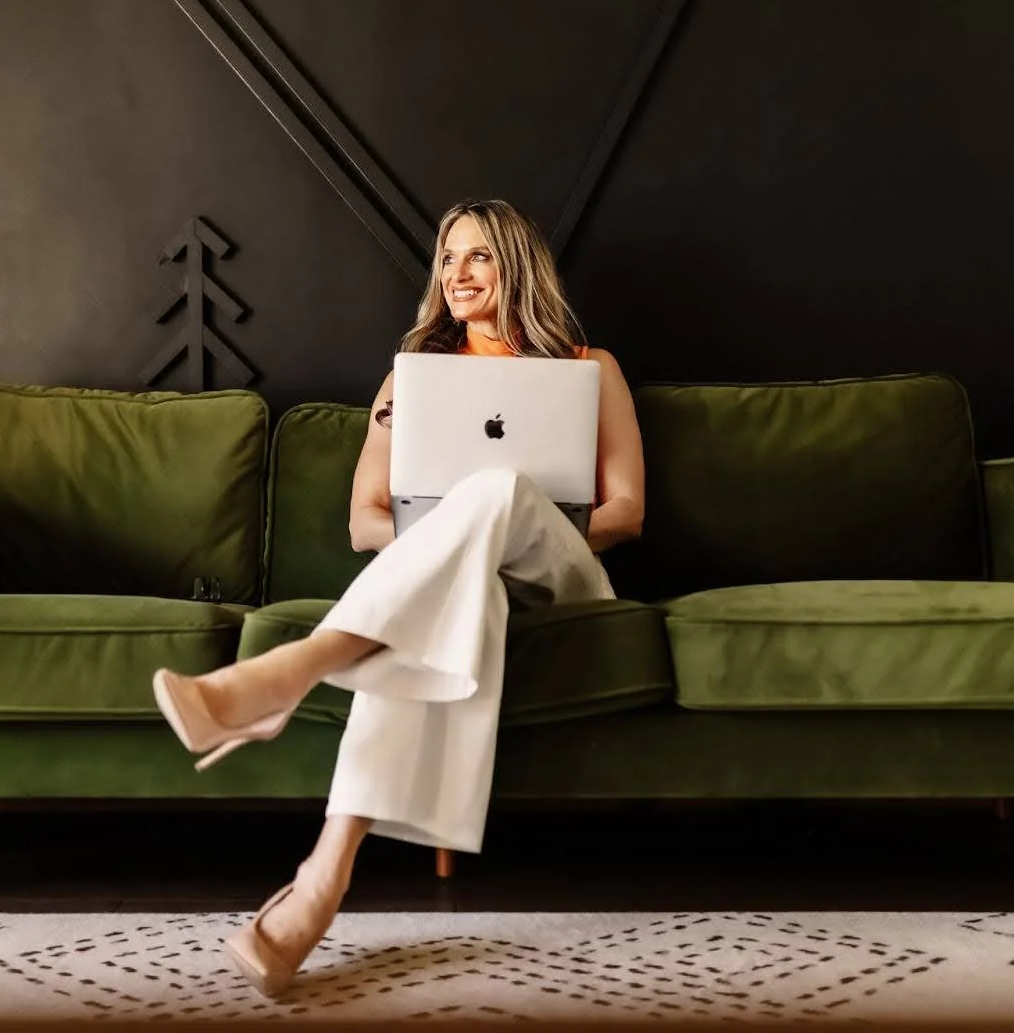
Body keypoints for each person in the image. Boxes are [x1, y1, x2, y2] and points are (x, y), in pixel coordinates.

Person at [152, 199, 646, 997]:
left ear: (516, 265)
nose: (457, 274)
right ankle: (323, 878)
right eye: (447, 259)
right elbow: (364, 519)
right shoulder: (411, 378)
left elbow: (625, 513)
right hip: (459, 580)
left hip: (563, 577)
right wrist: (458, 541)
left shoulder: (591, 366)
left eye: (478, 256)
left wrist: (501, 514)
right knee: (456, 587)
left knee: (497, 491)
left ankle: (293, 669)